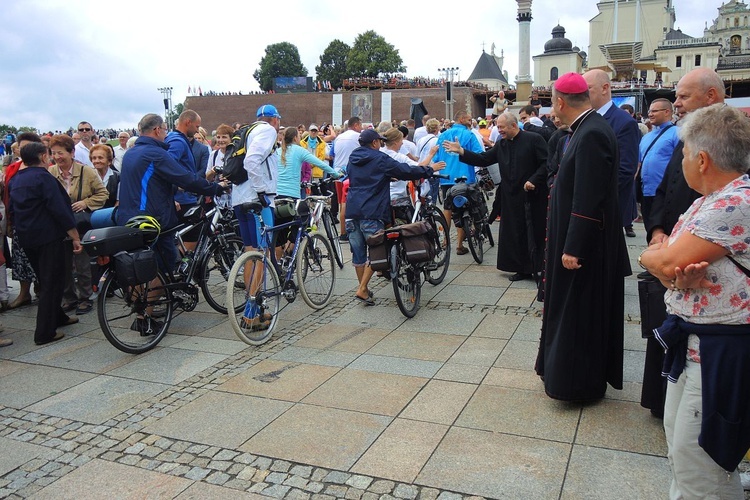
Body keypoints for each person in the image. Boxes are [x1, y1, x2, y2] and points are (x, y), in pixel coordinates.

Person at [639, 103, 750, 499]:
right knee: (684, 448)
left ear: (701, 159)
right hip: (698, 345)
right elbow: (670, 258)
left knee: (701, 459)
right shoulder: (711, 199)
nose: (681, 160)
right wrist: (669, 267)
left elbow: (664, 256)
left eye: (683, 153)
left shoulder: (733, 202)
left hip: (721, 352)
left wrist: (654, 260)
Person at [534, 72, 631, 402]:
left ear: (560, 102)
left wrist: (573, 246)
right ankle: (562, 374)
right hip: (577, 240)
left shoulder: (591, 133)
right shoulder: (584, 129)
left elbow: (588, 196)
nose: (552, 108)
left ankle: (578, 384)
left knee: (579, 313)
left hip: (584, 248)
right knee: (569, 309)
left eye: (551, 101)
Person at [639, 68, 725, 419]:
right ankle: (662, 402)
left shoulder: (728, 141)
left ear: (711, 97)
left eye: (683, 96)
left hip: (704, 262)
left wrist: (658, 253)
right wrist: (657, 229)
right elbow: (664, 188)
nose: (676, 103)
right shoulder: (684, 137)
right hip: (670, 245)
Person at [117, 113, 225, 277]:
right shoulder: (156, 153)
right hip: (153, 218)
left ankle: (143, 299)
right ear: (157, 130)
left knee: (142, 263)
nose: (166, 135)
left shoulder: (131, 153)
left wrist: (175, 188)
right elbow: (186, 178)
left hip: (130, 215)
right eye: (165, 130)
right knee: (165, 264)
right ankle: (153, 302)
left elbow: (150, 183)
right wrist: (215, 188)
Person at [444, 112, 547, 281]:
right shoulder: (502, 144)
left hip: (532, 195)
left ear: (513, 126)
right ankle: (521, 268)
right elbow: (483, 159)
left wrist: (534, 180)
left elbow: (546, 162)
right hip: (510, 196)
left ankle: (538, 267)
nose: (499, 130)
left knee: (533, 231)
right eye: (498, 127)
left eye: (501, 127)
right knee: (514, 233)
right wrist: (462, 151)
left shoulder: (534, 139)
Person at [345, 129, 444, 305]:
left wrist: (385, 178)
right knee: (376, 251)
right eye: (379, 142)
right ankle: (362, 289)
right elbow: (405, 170)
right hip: (372, 210)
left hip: (352, 211)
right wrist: (429, 169)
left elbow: (364, 178)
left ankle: (364, 289)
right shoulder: (379, 158)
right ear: (375, 143)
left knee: (358, 255)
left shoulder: (352, 159)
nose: (381, 145)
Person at [8, 142, 82, 346]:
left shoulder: (16, 179)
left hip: (26, 237)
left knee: (45, 278)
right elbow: (60, 210)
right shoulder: (44, 178)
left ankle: (58, 317)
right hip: (48, 237)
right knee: (52, 282)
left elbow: (12, 209)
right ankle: (44, 332)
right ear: (42, 157)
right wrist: (75, 237)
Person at [231, 104, 281, 331]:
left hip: (239, 199)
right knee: (263, 254)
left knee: (250, 254)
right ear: (274, 120)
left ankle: (254, 307)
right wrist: (261, 191)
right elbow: (251, 161)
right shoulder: (267, 130)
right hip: (256, 201)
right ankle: (251, 313)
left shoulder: (247, 131)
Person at [48, 134, 109, 315]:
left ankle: (85, 297)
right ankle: (69, 298)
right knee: (64, 264)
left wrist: (85, 203)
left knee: (82, 262)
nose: (58, 157)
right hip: (59, 225)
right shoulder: (50, 172)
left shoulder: (86, 172)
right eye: (54, 153)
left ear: (72, 152)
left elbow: (103, 194)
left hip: (80, 224)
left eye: (61, 153)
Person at [584, 69, 641, 238]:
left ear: (605, 88)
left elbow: (625, 170)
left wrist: (594, 199)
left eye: (588, 89)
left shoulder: (624, 123)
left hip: (605, 209)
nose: (583, 95)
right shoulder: (587, 119)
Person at [433, 110, 484, 255]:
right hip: (465, 177)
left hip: (446, 177)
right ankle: (459, 245)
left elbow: (436, 158)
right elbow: (479, 153)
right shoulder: (469, 135)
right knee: (463, 208)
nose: (471, 121)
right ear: (461, 119)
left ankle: (445, 240)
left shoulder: (442, 135)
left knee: (448, 209)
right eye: (469, 119)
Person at [638, 99, 679, 236]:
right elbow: (639, 163)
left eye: (655, 111)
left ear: (667, 112)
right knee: (650, 231)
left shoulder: (677, 133)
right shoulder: (646, 137)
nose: (650, 114)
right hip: (647, 193)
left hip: (666, 193)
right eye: (649, 111)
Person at [167, 110, 204, 252]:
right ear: (188, 122)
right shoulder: (177, 141)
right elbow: (167, 166)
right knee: (192, 236)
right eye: (196, 126)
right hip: (182, 201)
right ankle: (178, 269)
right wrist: (173, 191)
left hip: (183, 198)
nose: (197, 131)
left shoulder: (176, 139)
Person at [277, 127, 340, 199]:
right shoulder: (300, 150)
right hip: (292, 193)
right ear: (295, 138)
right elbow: (320, 163)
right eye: (299, 136)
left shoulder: (278, 151)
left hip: (277, 192)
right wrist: (336, 174)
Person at [332, 117, 363, 240]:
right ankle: (353, 230)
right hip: (351, 173)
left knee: (341, 203)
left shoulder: (338, 137)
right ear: (355, 125)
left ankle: (342, 232)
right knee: (348, 202)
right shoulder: (358, 137)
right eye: (360, 126)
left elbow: (332, 154)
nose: (361, 128)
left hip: (337, 172)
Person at [90, 144, 119, 208]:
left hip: (111, 214)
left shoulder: (118, 177)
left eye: (100, 158)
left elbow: (119, 201)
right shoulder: (87, 176)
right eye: (94, 158)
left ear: (109, 161)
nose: (97, 161)